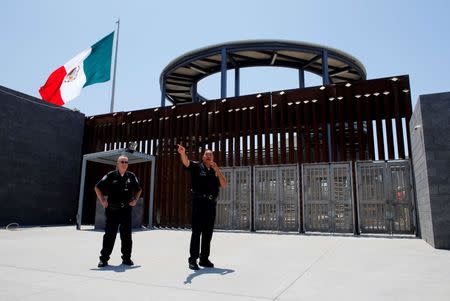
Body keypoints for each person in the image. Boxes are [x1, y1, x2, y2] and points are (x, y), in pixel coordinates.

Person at [177, 144, 227, 270]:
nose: (209, 156)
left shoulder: (214, 171)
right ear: (203, 157)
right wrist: (183, 153)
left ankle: (204, 258)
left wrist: (217, 170)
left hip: (211, 204)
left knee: (208, 233)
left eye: (211, 154)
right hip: (199, 202)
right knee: (196, 232)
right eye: (207, 154)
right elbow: (187, 163)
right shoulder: (197, 166)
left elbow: (224, 184)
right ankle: (193, 259)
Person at [95, 155, 142, 268]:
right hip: (112, 210)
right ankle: (104, 259)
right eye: (122, 161)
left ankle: (126, 258)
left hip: (126, 210)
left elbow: (139, 189)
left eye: (126, 162)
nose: (124, 164)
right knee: (109, 235)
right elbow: (97, 187)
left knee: (126, 236)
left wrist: (135, 200)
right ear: (117, 163)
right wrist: (102, 201)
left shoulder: (131, 176)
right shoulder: (111, 175)